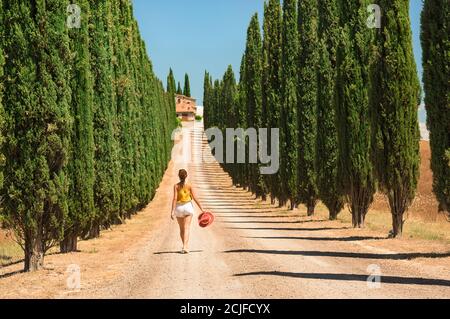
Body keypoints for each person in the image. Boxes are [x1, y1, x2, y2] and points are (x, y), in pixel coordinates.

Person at [171, 169, 205, 254]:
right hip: (188, 207)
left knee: (182, 229)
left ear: (179, 176)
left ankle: (184, 246)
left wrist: (172, 211)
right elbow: (194, 197)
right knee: (187, 228)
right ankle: (185, 246)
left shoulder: (176, 186)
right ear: (186, 176)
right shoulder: (189, 186)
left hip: (179, 208)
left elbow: (175, 199)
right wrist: (201, 208)